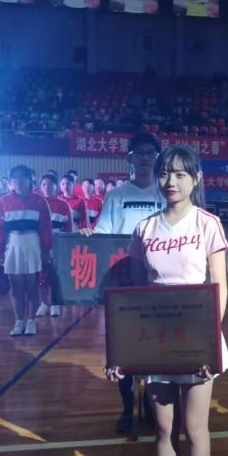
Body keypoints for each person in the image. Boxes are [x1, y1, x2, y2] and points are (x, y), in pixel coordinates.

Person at [106, 146, 228, 456]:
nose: (170, 181)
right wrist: (124, 352)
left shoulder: (208, 224)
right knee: (163, 429)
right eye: (164, 173)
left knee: (195, 429)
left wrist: (209, 342)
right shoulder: (145, 228)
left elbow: (220, 287)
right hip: (156, 341)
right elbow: (134, 295)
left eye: (180, 174)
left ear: (196, 178)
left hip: (196, 338)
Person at [87, 132, 165, 434]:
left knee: (156, 348)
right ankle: (127, 408)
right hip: (125, 285)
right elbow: (103, 235)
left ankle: (150, 406)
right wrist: (88, 236)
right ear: (129, 158)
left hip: (157, 283)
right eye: (139, 152)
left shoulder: (166, 192)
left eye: (150, 153)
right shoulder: (116, 196)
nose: (145, 158)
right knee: (125, 348)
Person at [0, 165, 52, 337]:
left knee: (32, 285)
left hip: (33, 245)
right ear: (10, 182)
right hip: (12, 246)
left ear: (30, 180)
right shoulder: (4, 201)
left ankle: (31, 321)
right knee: (17, 286)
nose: (18, 181)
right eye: (14, 178)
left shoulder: (40, 201)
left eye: (22, 177)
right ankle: (19, 321)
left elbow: (46, 227)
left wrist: (46, 249)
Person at [37, 173, 72, 318]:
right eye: (44, 184)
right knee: (41, 273)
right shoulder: (37, 203)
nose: (47, 187)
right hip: (39, 243)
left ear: (56, 187)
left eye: (50, 184)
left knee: (56, 273)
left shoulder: (63, 205)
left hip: (58, 244)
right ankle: (43, 303)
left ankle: (55, 303)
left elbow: (69, 227)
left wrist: (66, 245)